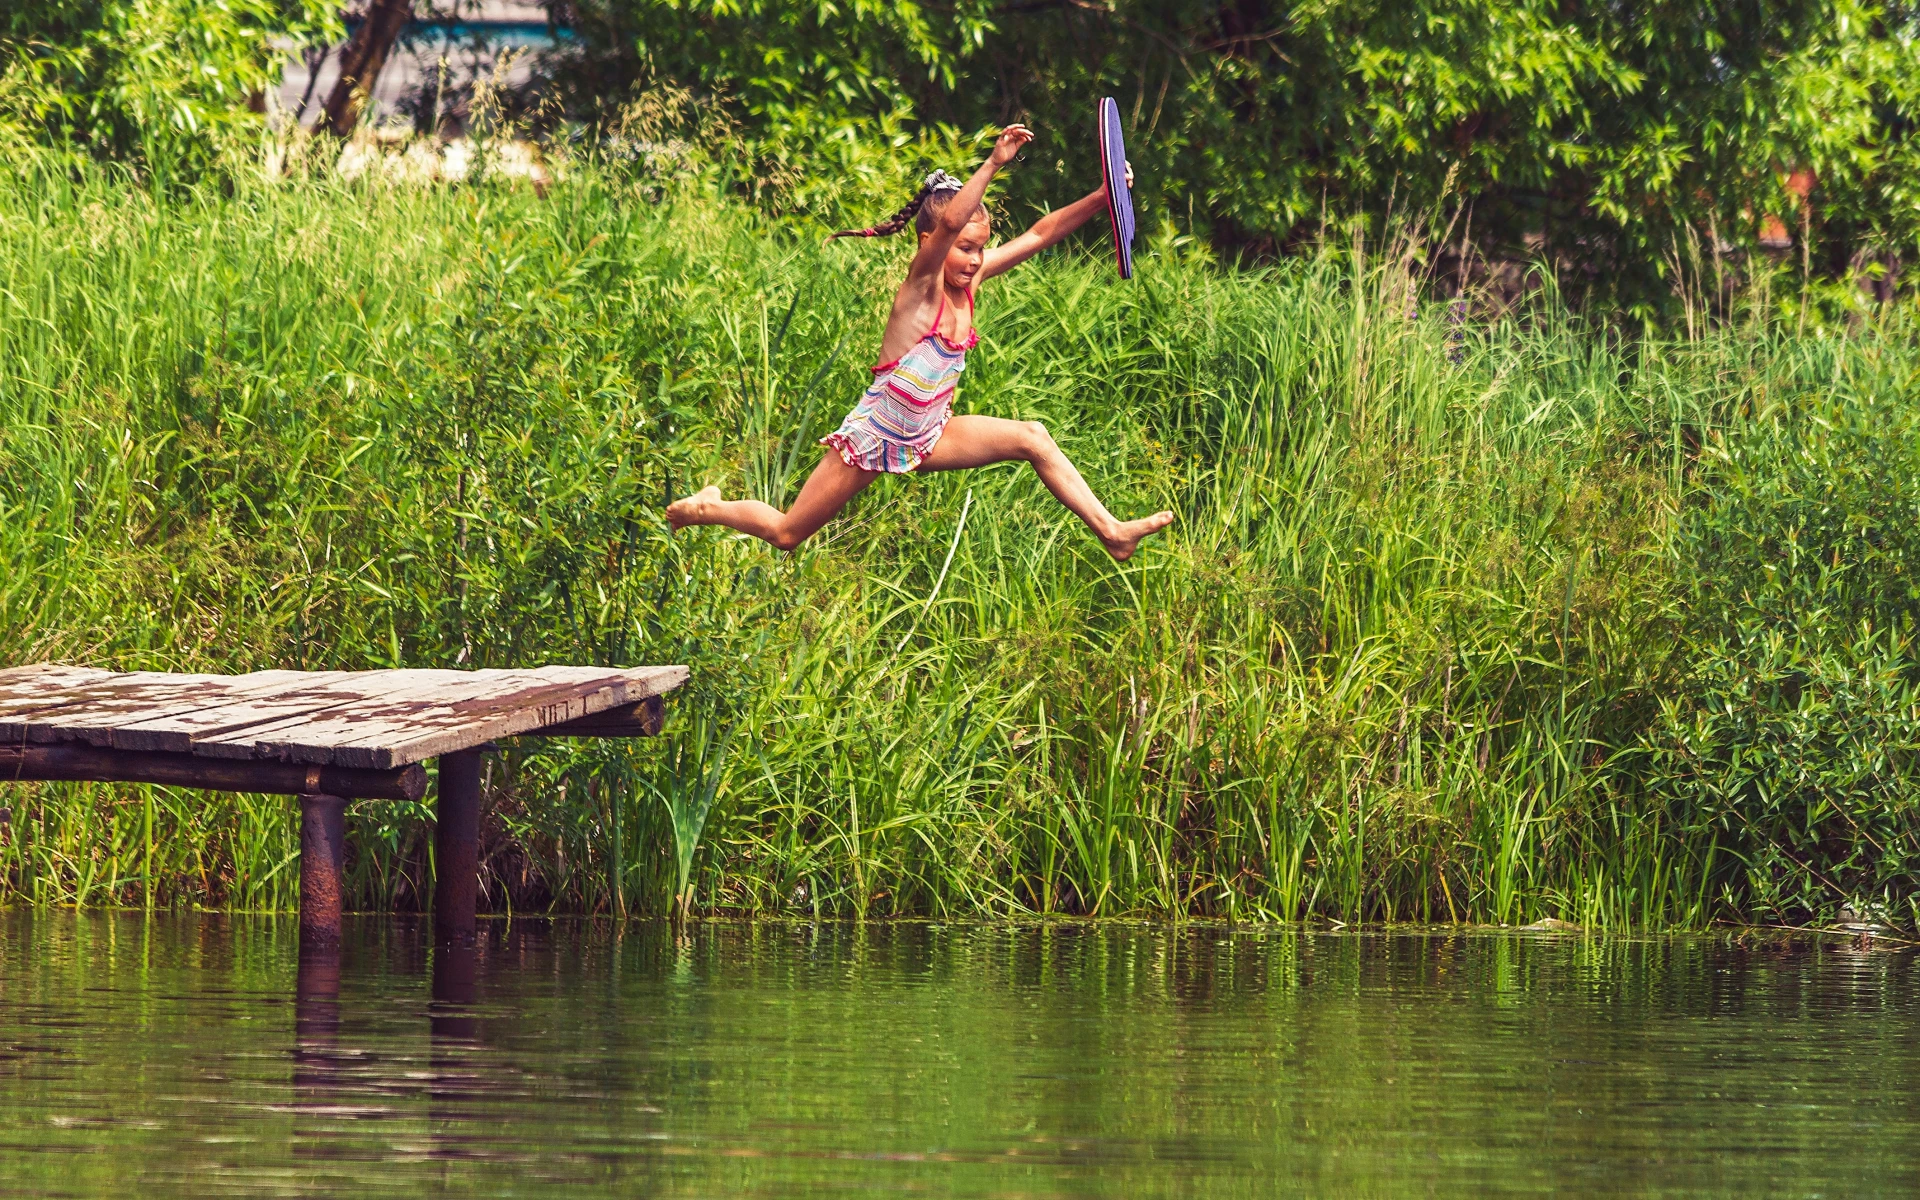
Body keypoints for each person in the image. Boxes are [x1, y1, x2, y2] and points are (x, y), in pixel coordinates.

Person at [666, 124, 1175, 561]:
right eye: (965, 249)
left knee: (1033, 437)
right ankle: (706, 507)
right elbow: (951, 221)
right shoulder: (921, 288)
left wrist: (1103, 197)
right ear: (929, 245)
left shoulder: (970, 282)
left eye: (980, 250)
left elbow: (1040, 235)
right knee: (787, 533)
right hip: (876, 436)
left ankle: (1111, 531)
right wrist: (993, 164)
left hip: (930, 434)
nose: (975, 260)